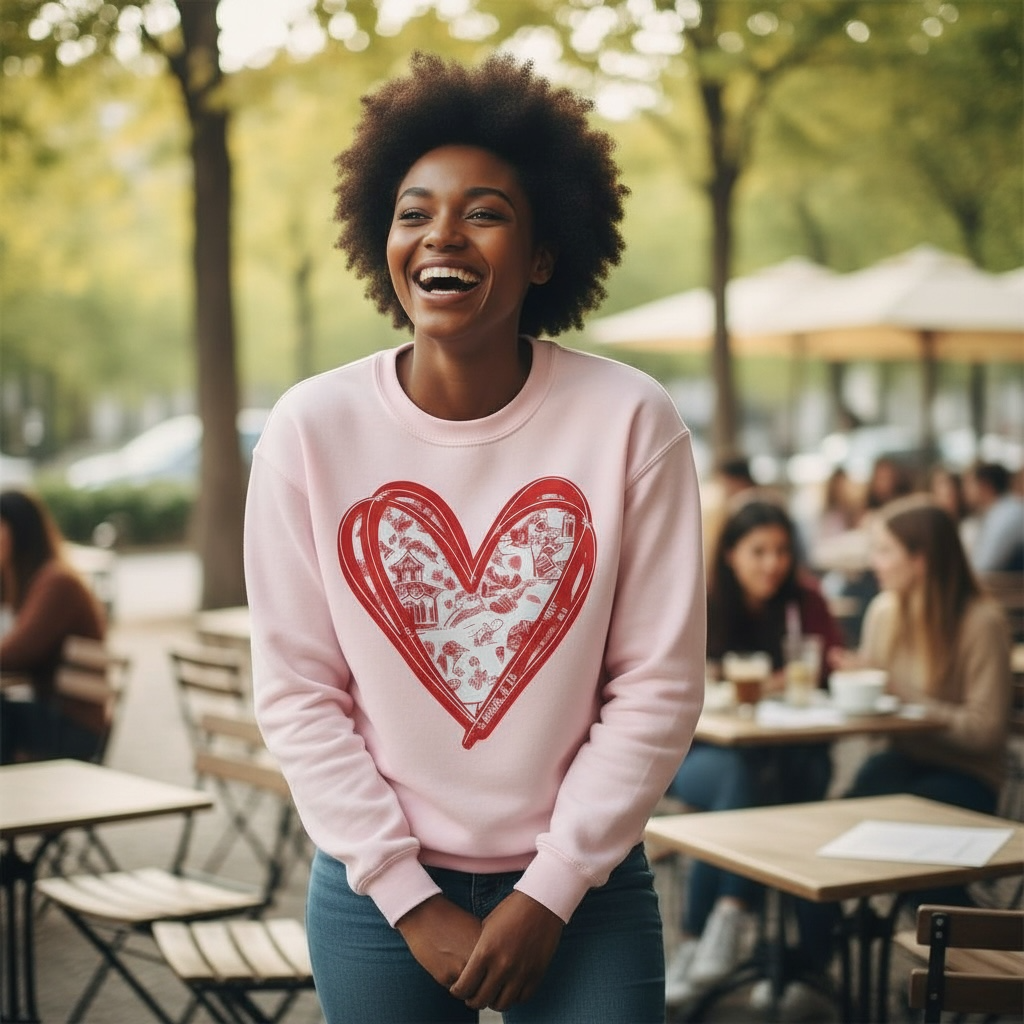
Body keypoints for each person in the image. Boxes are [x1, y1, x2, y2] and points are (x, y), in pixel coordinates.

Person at [244, 53, 706, 1024]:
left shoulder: (629, 418)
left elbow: (656, 683)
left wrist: (550, 889)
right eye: (413, 211)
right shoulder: (310, 428)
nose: (440, 234)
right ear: (384, 241)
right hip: (381, 897)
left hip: (584, 894)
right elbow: (298, 691)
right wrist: (408, 898)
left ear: (544, 254)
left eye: (484, 211)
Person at [664, 499, 845, 1009]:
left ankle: (712, 941)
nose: (773, 563)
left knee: (791, 785)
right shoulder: (701, 600)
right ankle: (738, 931)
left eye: (782, 551)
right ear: (730, 554)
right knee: (740, 781)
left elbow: (828, 663)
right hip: (699, 755)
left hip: (790, 754)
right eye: (759, 551)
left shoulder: (804, 602)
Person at [836, 496, 1010, 818]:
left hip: (968, 773)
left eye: (885, 551)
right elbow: (876, 726)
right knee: (844, 812)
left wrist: (899, 692)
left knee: (889, 818)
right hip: (903, 759)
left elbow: (985, 733)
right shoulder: (883, 612)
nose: (874, 562)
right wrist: (858, 692)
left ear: (921, 560)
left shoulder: (981, 623)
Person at [0, 488, 107, 763]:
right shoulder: (28, 581)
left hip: (75, 725)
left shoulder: (56, 583)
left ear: (20, 533)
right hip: (52, 714)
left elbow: (18, 651)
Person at [962, 460, 1024, 573]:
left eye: (970, 484)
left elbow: (984, 566)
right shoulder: (1001, 511)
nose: (965, 490)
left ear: (985, 486)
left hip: (1008, 588)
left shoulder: (1007, 516)